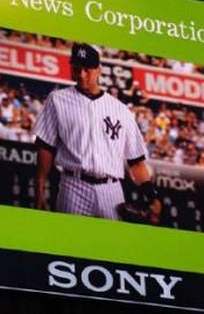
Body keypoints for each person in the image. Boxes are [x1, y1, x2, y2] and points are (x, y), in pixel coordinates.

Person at [34, 42, 160, 221]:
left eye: (87, 70)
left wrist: (152, 197)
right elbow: (45, 147)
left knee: (112, 246)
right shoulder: (57, 100)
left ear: (99, 70)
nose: (82, 75)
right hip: (73, 185)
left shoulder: (120, 109)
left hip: (111, 190)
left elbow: (136, 161)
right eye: (77, 69)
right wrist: (39, 190)